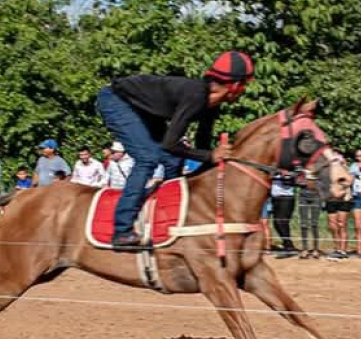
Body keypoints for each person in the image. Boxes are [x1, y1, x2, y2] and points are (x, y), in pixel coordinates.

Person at [95, 50, 253, 250]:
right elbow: (171, 144)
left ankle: (166, 216)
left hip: (144, 109)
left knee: (172, 161)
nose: (244, 90)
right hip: (116, 100)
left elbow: (202, 146)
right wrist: (212, 155)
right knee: (147, 158)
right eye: (245, 85)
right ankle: (121, 230)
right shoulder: (196, 95)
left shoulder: (212, 104)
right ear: (236, 86)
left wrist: (213, 163)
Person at [325, 150, 353, 260]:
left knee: (342, 224)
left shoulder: (344, 168)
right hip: (331, 199)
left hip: (344, 199)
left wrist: (341, 190)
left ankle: (343, 250)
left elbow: (349, 181)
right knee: (333, 225)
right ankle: (336, 248)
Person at [270, 170, 298, 257]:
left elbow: (291, 179)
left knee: (282, 222)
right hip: (275, 198)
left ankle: (289, 248)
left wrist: (283, 174)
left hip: (286, 198)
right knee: (276, 223)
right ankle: (288, 245)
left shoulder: (290, 169)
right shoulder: (274, 169)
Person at [296, 174, 322, 259]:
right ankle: (304, 249)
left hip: (316, 195)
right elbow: (297, 181)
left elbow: (322, 179)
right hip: (303, 196)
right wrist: (305, 181)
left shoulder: (319, 163)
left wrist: (313, 183)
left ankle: (316, 249)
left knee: (314, 224)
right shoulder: (302, 164)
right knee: (303, 224)